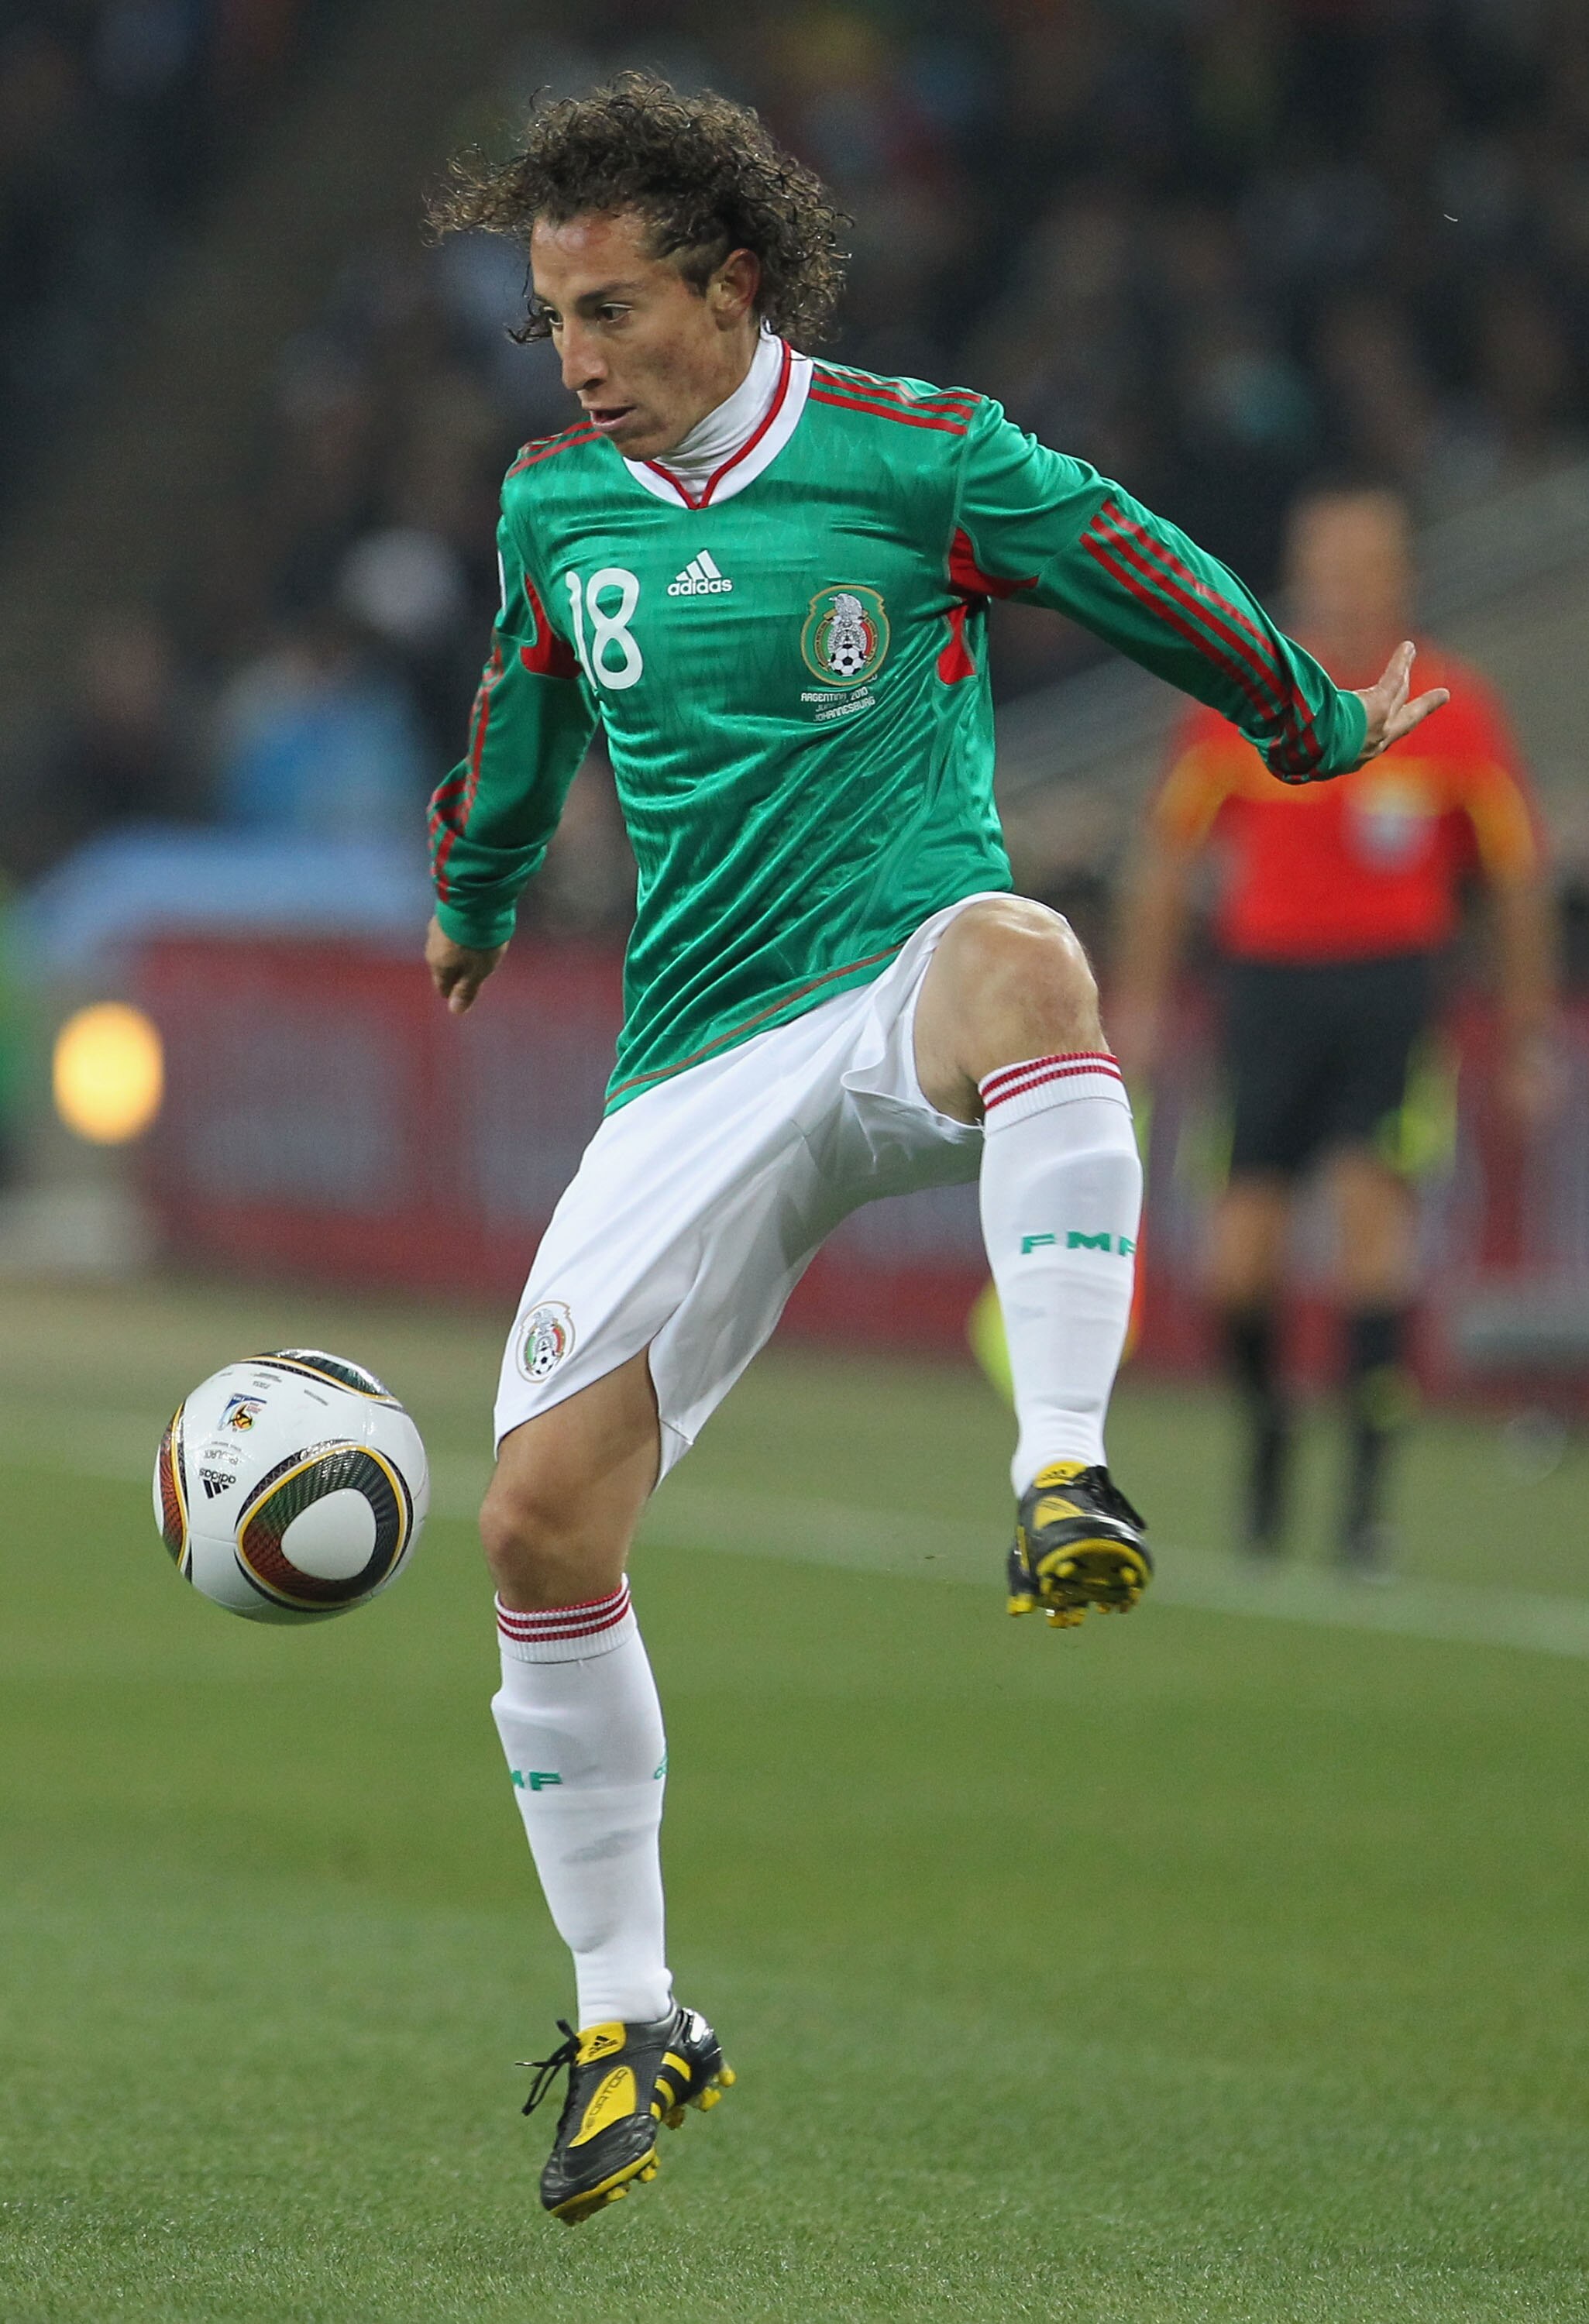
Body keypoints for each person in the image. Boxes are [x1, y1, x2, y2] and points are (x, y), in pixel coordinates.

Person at [421, 78, 1446, 2225]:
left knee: (1029, 964)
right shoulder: (555, 507)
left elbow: (1136, 566)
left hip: (897, 972)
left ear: (731, 285)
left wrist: (1301, 718)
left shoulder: (917, 453)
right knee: (528, 1527)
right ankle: (630, 2018)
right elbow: (523, 709)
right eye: (549, 323)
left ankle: (1056, 1462)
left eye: (607, 310)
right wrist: (481, 887)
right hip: (693, 1064)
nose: (577, 355)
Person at [1114, 481, 1553, 1575]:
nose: (1343, 582)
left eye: (1364, 562)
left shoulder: (1456, 703)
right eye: (1327, 561)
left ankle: (1363, 1510)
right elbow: (1165, 859)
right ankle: (1269, 1434)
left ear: (1403, 575)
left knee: (1370, 1235)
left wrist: (1528, 1029)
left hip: (1392, 998)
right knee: (1237, 1269)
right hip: (1265, 999)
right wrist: (1142, 1001)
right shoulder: (1244, 694)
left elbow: (1517, 877)